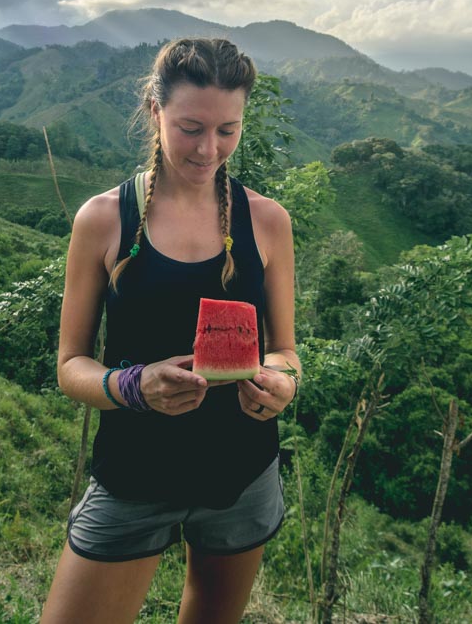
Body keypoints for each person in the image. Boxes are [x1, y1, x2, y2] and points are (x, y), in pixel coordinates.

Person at [40, 38, 301, 624]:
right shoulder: (105, 220)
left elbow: (284, 350)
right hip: (134, 474)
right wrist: (135, 387)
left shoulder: (267, 221)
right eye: (190, 127)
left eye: (228, 130)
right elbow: (70, 366)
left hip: (243, 474)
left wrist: (281, 382)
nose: (210, 149)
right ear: (154, 111)